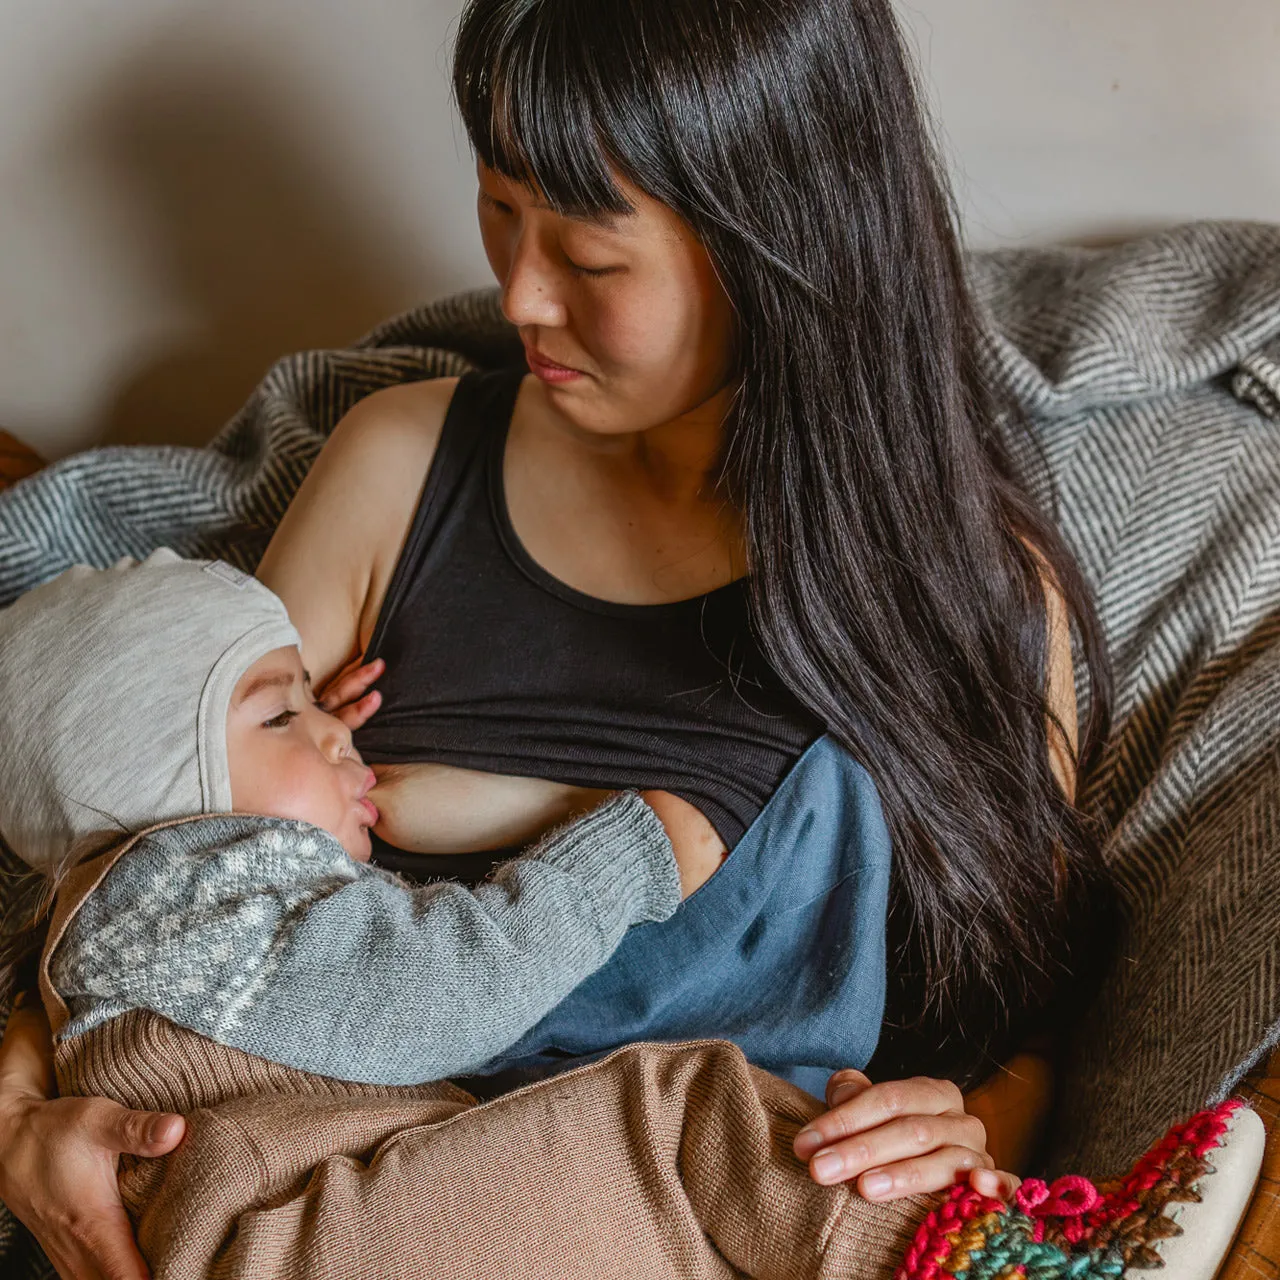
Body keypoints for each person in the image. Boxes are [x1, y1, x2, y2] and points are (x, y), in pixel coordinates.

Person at [0, 1, 1119, 1275]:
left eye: (587, 257)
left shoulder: (967, 597)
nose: (518, 294)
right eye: (496, 208)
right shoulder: (398, 470)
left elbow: (1024, 1012)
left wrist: (965, 1128)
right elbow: (154, 845)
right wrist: (21, 1099)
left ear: (776, 244)